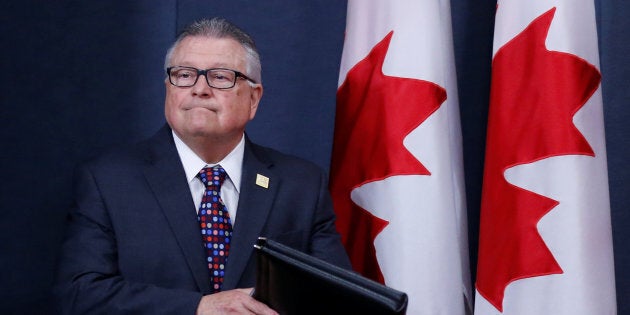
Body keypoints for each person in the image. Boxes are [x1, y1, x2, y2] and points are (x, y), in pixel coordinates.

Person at [54, 17, 351, 314]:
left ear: (253, 99)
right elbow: (79, 294)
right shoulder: (107, 180)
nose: (199, 89)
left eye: (220, 77)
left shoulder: (301, 184)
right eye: (184, 75)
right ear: (168, 88)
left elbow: (336, 297)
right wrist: (198, 307)